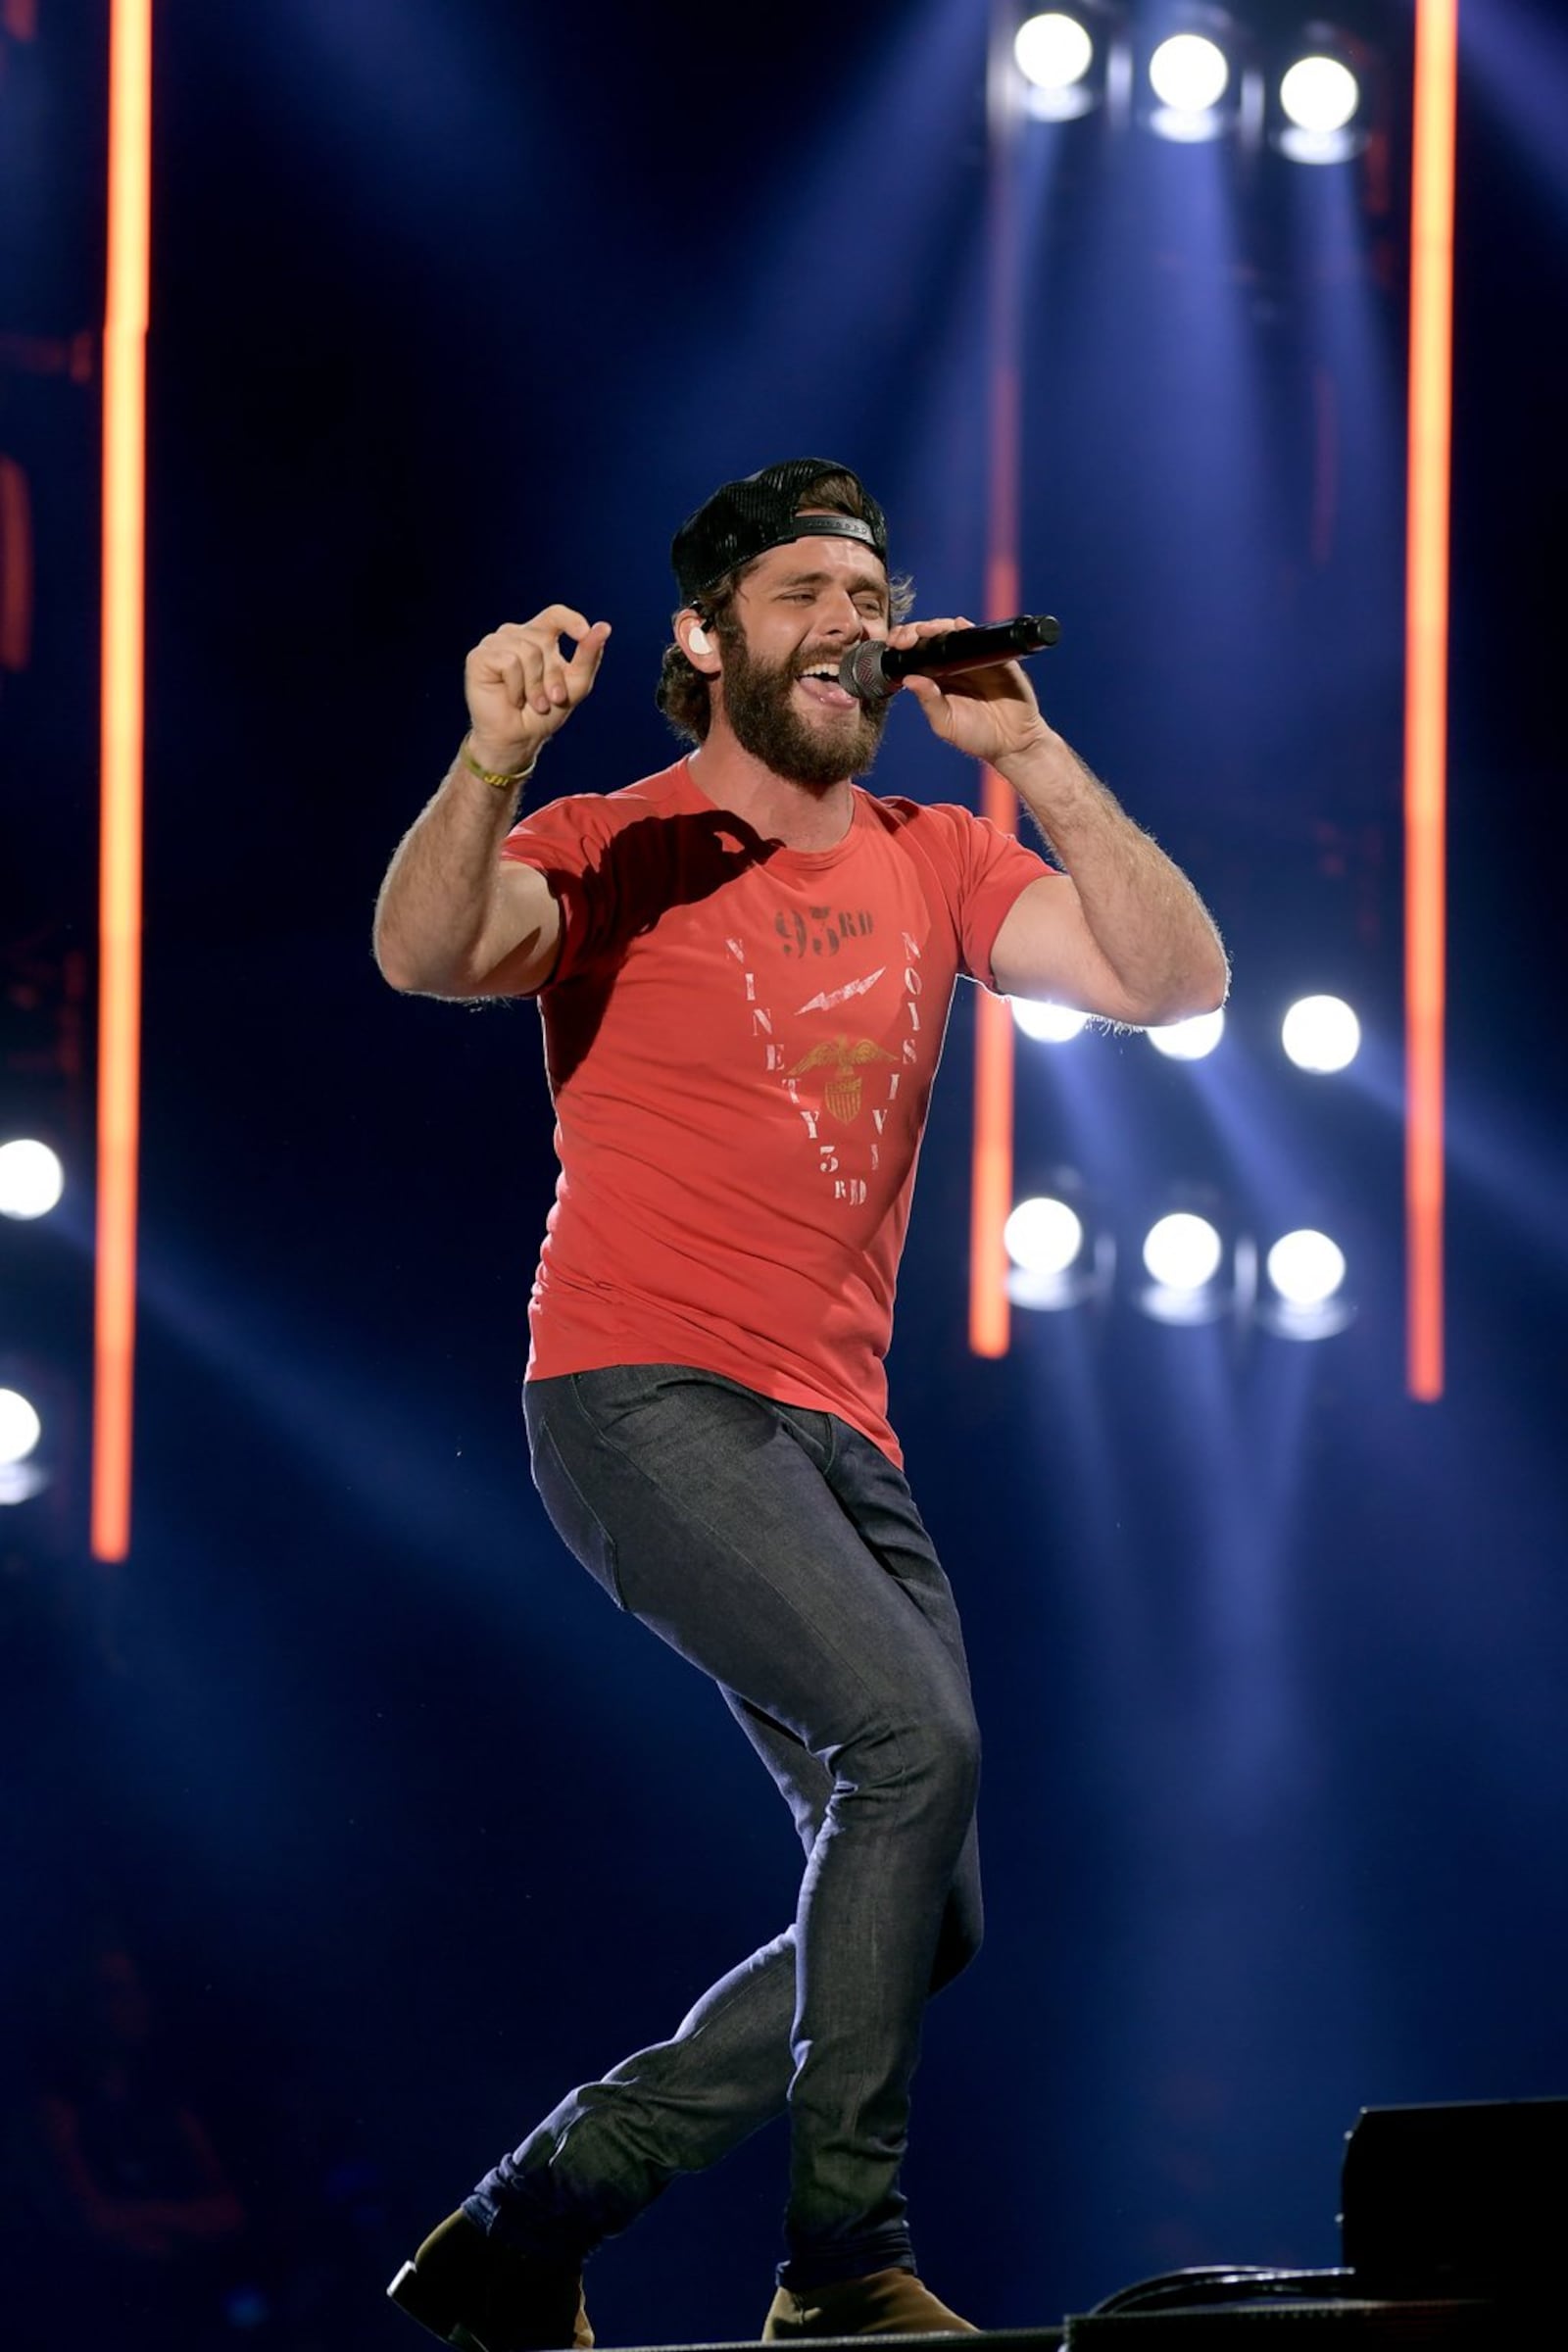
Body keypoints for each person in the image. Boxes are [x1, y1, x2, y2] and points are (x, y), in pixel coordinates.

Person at [372, 459, 1228, 2349]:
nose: (852, 618)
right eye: (803, 595)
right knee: (913, 1754)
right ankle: (843, 2263)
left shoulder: (939, 851)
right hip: (640, 1386)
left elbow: (1175, 990)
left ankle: (533, 2225)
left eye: (870, 591)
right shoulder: (623, 836)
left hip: (844, 1431)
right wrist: (490, 764)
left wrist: (1039, 761)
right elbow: (428, 952)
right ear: (705, 641)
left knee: (924, 1911)